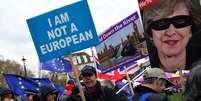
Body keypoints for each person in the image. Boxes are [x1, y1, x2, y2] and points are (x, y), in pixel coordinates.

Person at [143, 0, 201, 72]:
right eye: (161, 23)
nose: (171, 32)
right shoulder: (142, 70)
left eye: (180, 21)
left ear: (191, 30)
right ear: (150, 33)